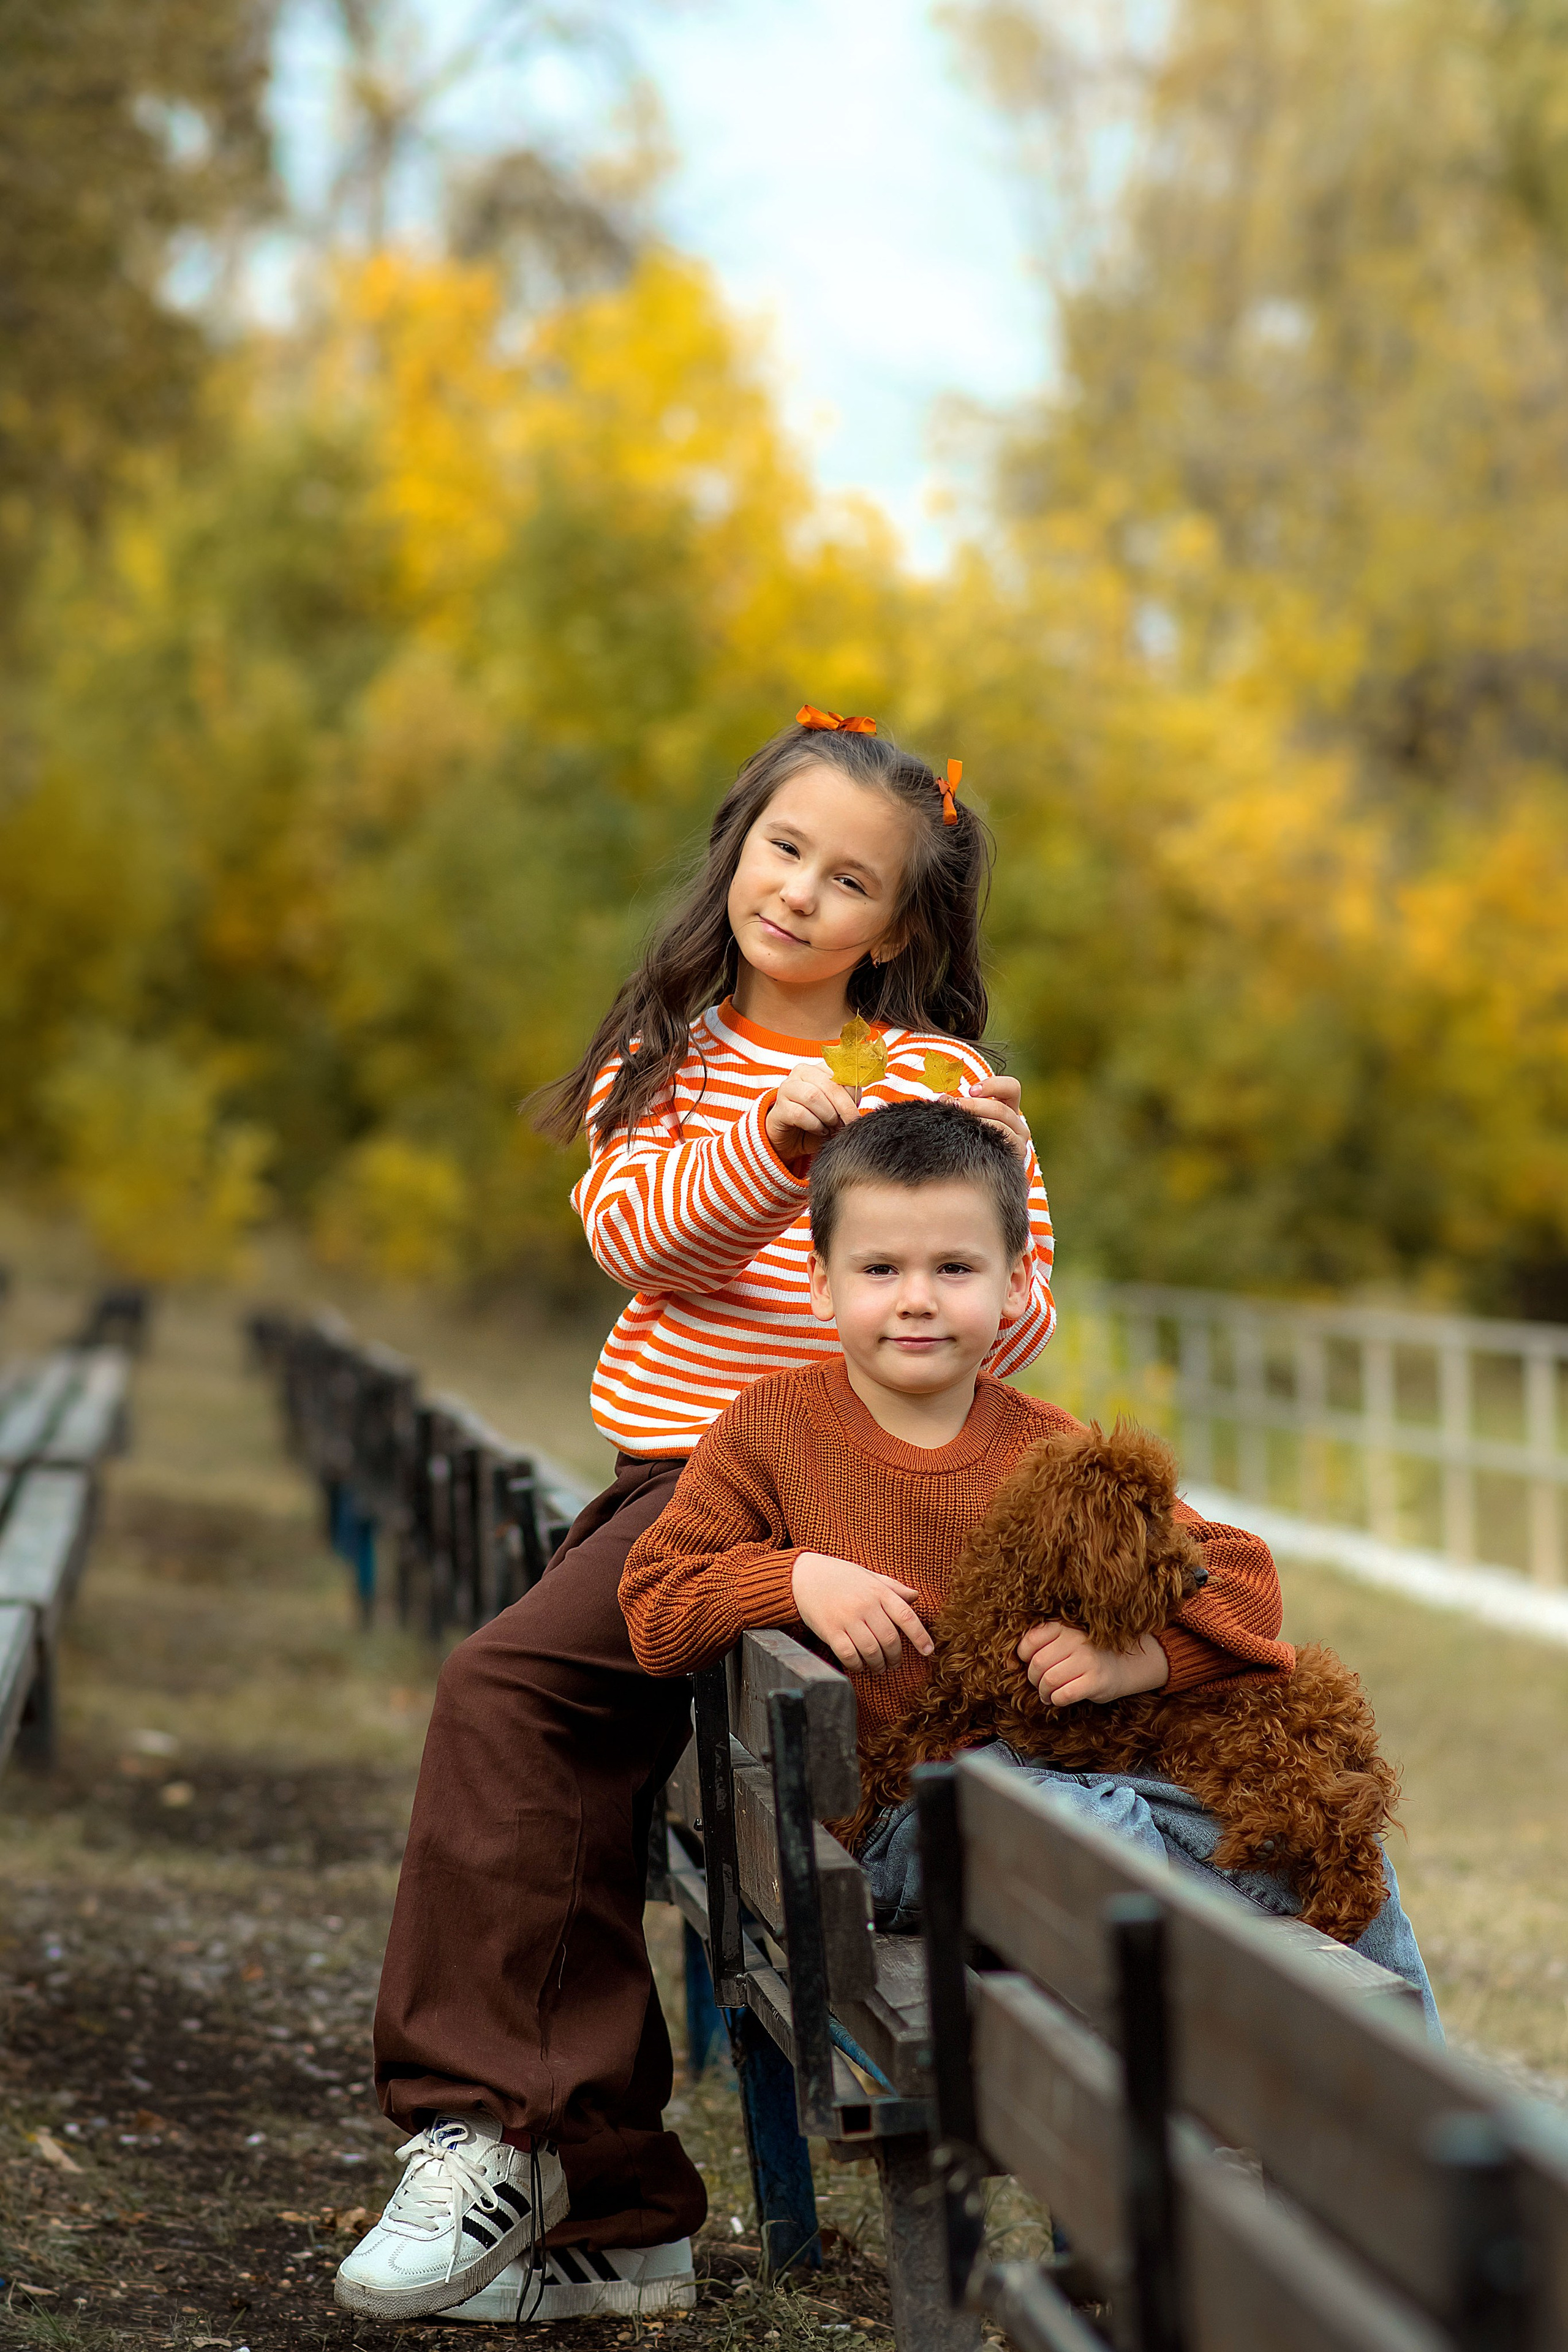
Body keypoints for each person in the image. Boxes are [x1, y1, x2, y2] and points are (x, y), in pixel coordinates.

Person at [334, 705, 1057, 2326]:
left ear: (904, 926)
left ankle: (536, 2152)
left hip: (877, 1485)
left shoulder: (936, 1078)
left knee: (517, 1695)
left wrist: (977, 1233)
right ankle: (569, 2180)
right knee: (527, 1703)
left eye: (848, 879)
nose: (799, 893)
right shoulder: (660, 1069)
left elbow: (1021, 1321)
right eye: (781, 850)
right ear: (737, 848)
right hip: (684, 1488)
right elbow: (641, 1244)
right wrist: (773, 1143)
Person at [619, 1099, 1438, 2025]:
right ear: (820, 1285)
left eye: (955, 1268)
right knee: (1082, 1824)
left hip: (1082, 1785)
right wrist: (795, 1577)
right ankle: (1251, 2033)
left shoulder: (1045, 1442)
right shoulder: (769, 1432)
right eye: (880, 1269)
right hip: (904, 1826)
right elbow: (655, 1604)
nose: (917, 1298)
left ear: (1015, 1286)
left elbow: (1240, 1572)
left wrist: (1142, 1660)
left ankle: (1426, 2121)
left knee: (1317, 1830)